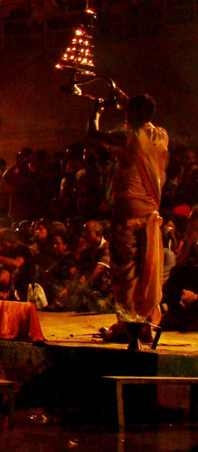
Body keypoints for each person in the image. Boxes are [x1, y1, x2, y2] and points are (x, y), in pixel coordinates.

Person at [89, 94, 169, 348]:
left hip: (127, 214)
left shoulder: (128, 137)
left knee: (126, 276)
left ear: (130, 114)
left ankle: (132, 332)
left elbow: (94, 133)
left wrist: (98, 109)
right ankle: (142, 326)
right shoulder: (161, 136)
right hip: (149, 213)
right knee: (147, 272)